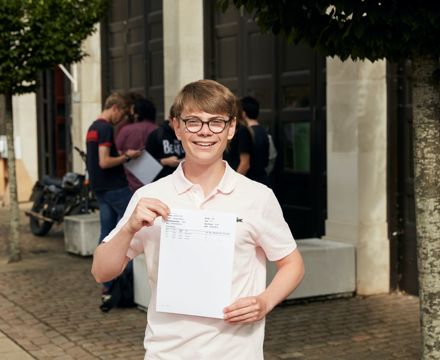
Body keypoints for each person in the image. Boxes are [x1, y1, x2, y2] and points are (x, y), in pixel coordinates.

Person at [91, 80, 304, 359]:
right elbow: (101, 272)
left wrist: (265, 301)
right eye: (193, 122)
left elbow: (293, 264)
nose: (205, 132)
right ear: (177, 127)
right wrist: (129, 228)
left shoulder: (257, 197)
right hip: (165, 353)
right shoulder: (150, 195)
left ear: (230, 130)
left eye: (216, 122)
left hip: (236, 353)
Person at [86, 92, 142, 309]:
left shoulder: (92, 127)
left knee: (107, 234)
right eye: (123, 114)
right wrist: (128, 156)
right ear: (116, 108)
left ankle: (108, 287)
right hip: (115, 187)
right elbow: (104, 161)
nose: (122, 120)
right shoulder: (105, 128)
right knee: (131, 229)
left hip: (100, 188)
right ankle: (124, 281)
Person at [116, 97, 158, 192]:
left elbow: (116, 152)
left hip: (129, 183)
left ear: (137, 113)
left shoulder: (125, 130)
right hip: (154, 181)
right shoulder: (158, 130)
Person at [145, 105, 185, 181]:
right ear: (170, 119)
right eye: (177, 123)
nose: (179, 127)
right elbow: (146, 164)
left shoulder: (187, 134)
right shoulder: (156, 135)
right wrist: (165, 161)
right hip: (161, 180)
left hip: (183, 179)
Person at [240, 96, 270, 186]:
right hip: (262, 179)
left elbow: (245, 164)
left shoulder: (245, 132)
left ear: (243, 114)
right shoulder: (263, 131)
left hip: (250, 181)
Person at [223, 100, 252, 175]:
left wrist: (232, 183)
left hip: (235, 179)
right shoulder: (226, 128)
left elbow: (245, 164)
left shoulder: (242, 130)